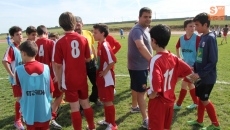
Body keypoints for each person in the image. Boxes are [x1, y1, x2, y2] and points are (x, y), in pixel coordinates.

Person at [54, 11, 95, 130]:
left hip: (69, 79)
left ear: (61, 25)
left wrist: (60, 82)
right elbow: (88, 58)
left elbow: (58, 65)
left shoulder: (60, 42)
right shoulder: (83, 39)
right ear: (74, 23)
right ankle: (91, 126)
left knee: (74, 107)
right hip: (82, 78)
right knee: (85, 103)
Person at [147, 24, 193, 130]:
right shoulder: (173, 57)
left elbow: (156, 85)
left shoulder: (155, 60)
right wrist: (174, 81)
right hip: (170, 101)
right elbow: (187, 70)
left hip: (158, 102)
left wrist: (152, 94)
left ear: (153, 40)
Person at [187, 12, 220, 130]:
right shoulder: (202, 37)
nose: (195, 27)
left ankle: (216, 125)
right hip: (200, 76)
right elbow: (200, 56)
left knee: (204, 99)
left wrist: (199, 73)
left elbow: (213, 61)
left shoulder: (210, 38)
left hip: (207, 77)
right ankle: (199, 121)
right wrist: (194, 67)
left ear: (205, 25)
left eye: (197, 25)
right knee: (201, 98)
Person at [15, 40, 54, 130]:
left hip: (29, 113)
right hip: (44, 111)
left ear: (24, 53)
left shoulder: (19, 70)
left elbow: (19, 97)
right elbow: (51, 92)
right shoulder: (46, 68)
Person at [127, 7, 152, 128]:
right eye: (145, 17)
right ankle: (145, 119)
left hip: (140, 66)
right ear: (139, 17)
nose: (148, 19)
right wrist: (152, 61)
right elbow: (140, 46)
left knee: (136, 89)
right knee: (142, 92)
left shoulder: (146, 28)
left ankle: (134, 107)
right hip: (138, 67)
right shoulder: (137, 30)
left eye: (150, 17)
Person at [35, 25, 62, 129]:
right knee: (59, 94)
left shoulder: (34, 44)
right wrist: (56, 75)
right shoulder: (51, 43)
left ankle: (43, 118)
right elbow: (54, 60)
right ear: (46, 33)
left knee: (42, 97)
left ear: (37, 33)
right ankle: (51, 115)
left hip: (37, 75)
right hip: (50, 74)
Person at [93, 23, 117, 130]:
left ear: (102, 33)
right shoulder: (100, 44)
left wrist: (104, 71)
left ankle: (112, 124)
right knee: (104, 100)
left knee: (108, 101)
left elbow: (112, 61)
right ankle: (107, 120)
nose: (93, 34)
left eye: (95, 32)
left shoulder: (105, 45)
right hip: (102, 78)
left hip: (106, 78)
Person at [74, 16, 102, 106]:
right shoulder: (71, 37)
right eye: (75, 25)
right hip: (79, 64)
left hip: (91, 62)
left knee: (97, 82)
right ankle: (81, 105)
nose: (77, 27)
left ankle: (94, 98)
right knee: (81, 86)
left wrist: (97, 59)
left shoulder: (88, 33)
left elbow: (92, 46)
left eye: (78, 25)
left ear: (82, 24)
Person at [2, 26, 25, 130]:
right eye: (17, 34)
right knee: (20, 99)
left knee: (25, 97)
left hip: (24, 78)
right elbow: (4, 61)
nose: (20, 36)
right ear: (12, 37)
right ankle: (17, 121)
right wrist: (12, 75)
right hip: (16, 80)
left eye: (21, 34)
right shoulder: (12, 48)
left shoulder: (22, 47)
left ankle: (23, 116)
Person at [174, 19, 200, 110]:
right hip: (185, 66)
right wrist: (179, 58)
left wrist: (196, 66)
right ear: (185, 28)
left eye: (194, 26)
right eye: (190, 26)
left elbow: (201, 54)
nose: (193, 28)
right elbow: (177, 47)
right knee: (189, 84)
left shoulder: (197, 38)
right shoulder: (181, 38)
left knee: (185, 84)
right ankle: (195, 102)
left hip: (193, 66)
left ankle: (178, 104)